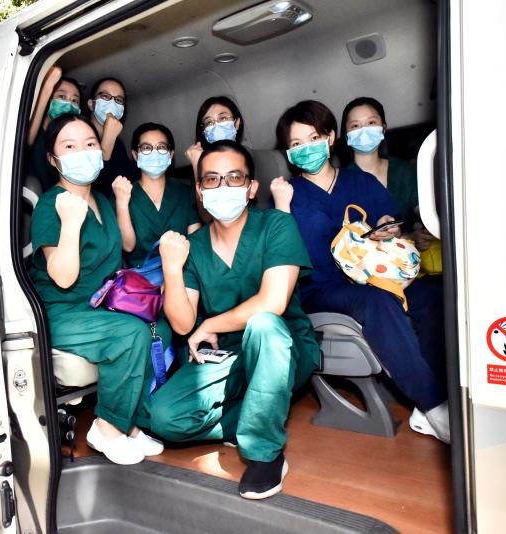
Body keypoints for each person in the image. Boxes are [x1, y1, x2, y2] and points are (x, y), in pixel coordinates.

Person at [141, 140, 320, 500]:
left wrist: (210, 325)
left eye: (234, 178)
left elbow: (272, 302)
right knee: (164, 418)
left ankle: (264, 452)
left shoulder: (277, 225)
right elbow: (182, 324)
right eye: (212, 179)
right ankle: (257, 412)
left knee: (263, 324)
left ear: (252, 188)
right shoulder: (194, 247)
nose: (222, 187)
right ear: (200, 190)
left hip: (280, 348)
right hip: (226, 355)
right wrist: (172, 269)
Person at [271, 100, 449, 443]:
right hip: (320, 288)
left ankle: (433, 395)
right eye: (296, 144)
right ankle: (434, 405)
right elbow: (279, 251)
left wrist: (387, 227)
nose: (306, 148)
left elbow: (391, 221)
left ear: (330, 138)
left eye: (313, 138)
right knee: (377, 300)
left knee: (431, 294)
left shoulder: (360, 182)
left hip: (373, 274)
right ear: (288, 152)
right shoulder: (289, 193)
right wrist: (281, 204)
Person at [29, 114, 171, 465]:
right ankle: (106, 428)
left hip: (99, 305)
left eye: (90, 143)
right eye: (70, 146)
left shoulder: (101, 200)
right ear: (53, 159)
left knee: (159, 326)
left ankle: (130, 422)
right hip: (61, 312)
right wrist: (71, 224)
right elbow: (63, 277)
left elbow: (125, 246)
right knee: (130, 333)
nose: (83, 152)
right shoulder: (51, 204)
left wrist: (120, 204)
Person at [338, 96, 435, 250]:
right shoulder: (340, 182)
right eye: (355, 126)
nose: (364, 130)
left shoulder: (403, 171)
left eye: (371, 123)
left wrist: (420, 235)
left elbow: (426, 213)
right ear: (346, 136)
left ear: (383, 128)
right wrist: (406, 238)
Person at [113, 122, 201, 268]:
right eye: (146, 148)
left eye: (161, 147)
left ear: (170, 154)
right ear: (135, 155)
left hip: (183, 272)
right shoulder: (123, 193)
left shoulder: (184, 192)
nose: (154, 153)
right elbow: (127, 246)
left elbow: (196, 241)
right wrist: (122, 204)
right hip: (141, 278)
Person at [26, 66, 82, 191]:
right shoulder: (37, 135)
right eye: (61, 96)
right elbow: (27, 139)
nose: (69, 103)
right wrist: (47, 87)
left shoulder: (77, 144)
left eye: (74, 100)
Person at [87, 77, 137, 197]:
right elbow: (92, 187)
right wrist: (107, 141)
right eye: (105, 96)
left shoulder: (118, 145)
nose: (112, 103)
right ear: (91, 104)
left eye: (118, 100)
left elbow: (129, 181)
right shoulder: (79, 138)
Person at [184, 96, 246, 176]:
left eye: (223, 118)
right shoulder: (194, 167)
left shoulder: (251, 159)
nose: (216, 125)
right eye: (209, 122)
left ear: (237, 123)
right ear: (204, 132)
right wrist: (197, 164)